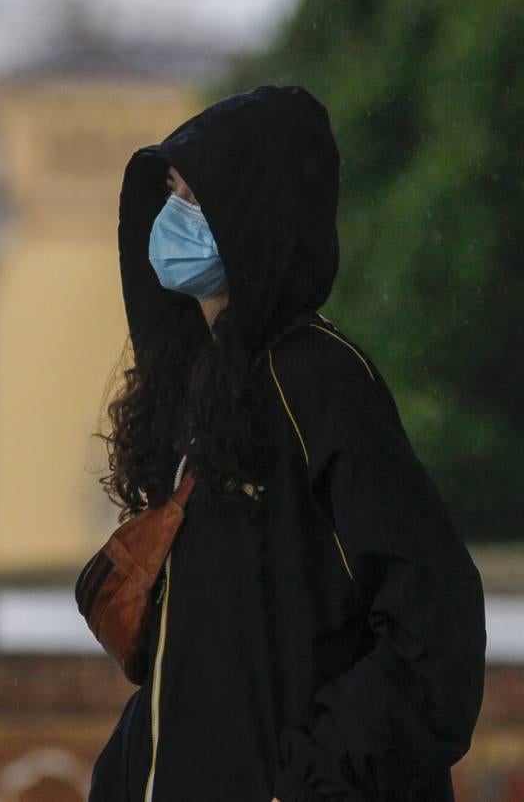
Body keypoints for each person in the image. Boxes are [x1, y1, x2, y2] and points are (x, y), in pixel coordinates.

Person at [87, 85, 487, 801]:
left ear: (255, 221)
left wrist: (307, 782)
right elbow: (204, 670)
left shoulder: (319, 382)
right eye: (170, 195)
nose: (172, 220)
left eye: (196, 201)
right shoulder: (201, 395)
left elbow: (434, 636)